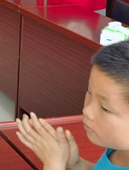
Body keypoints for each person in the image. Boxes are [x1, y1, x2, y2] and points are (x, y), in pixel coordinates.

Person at [16, 40, 129, 169]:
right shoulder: (120, 147)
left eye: (105, 108)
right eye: (89, 91)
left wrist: (54, 163)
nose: (86, 111)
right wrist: (75, 164)